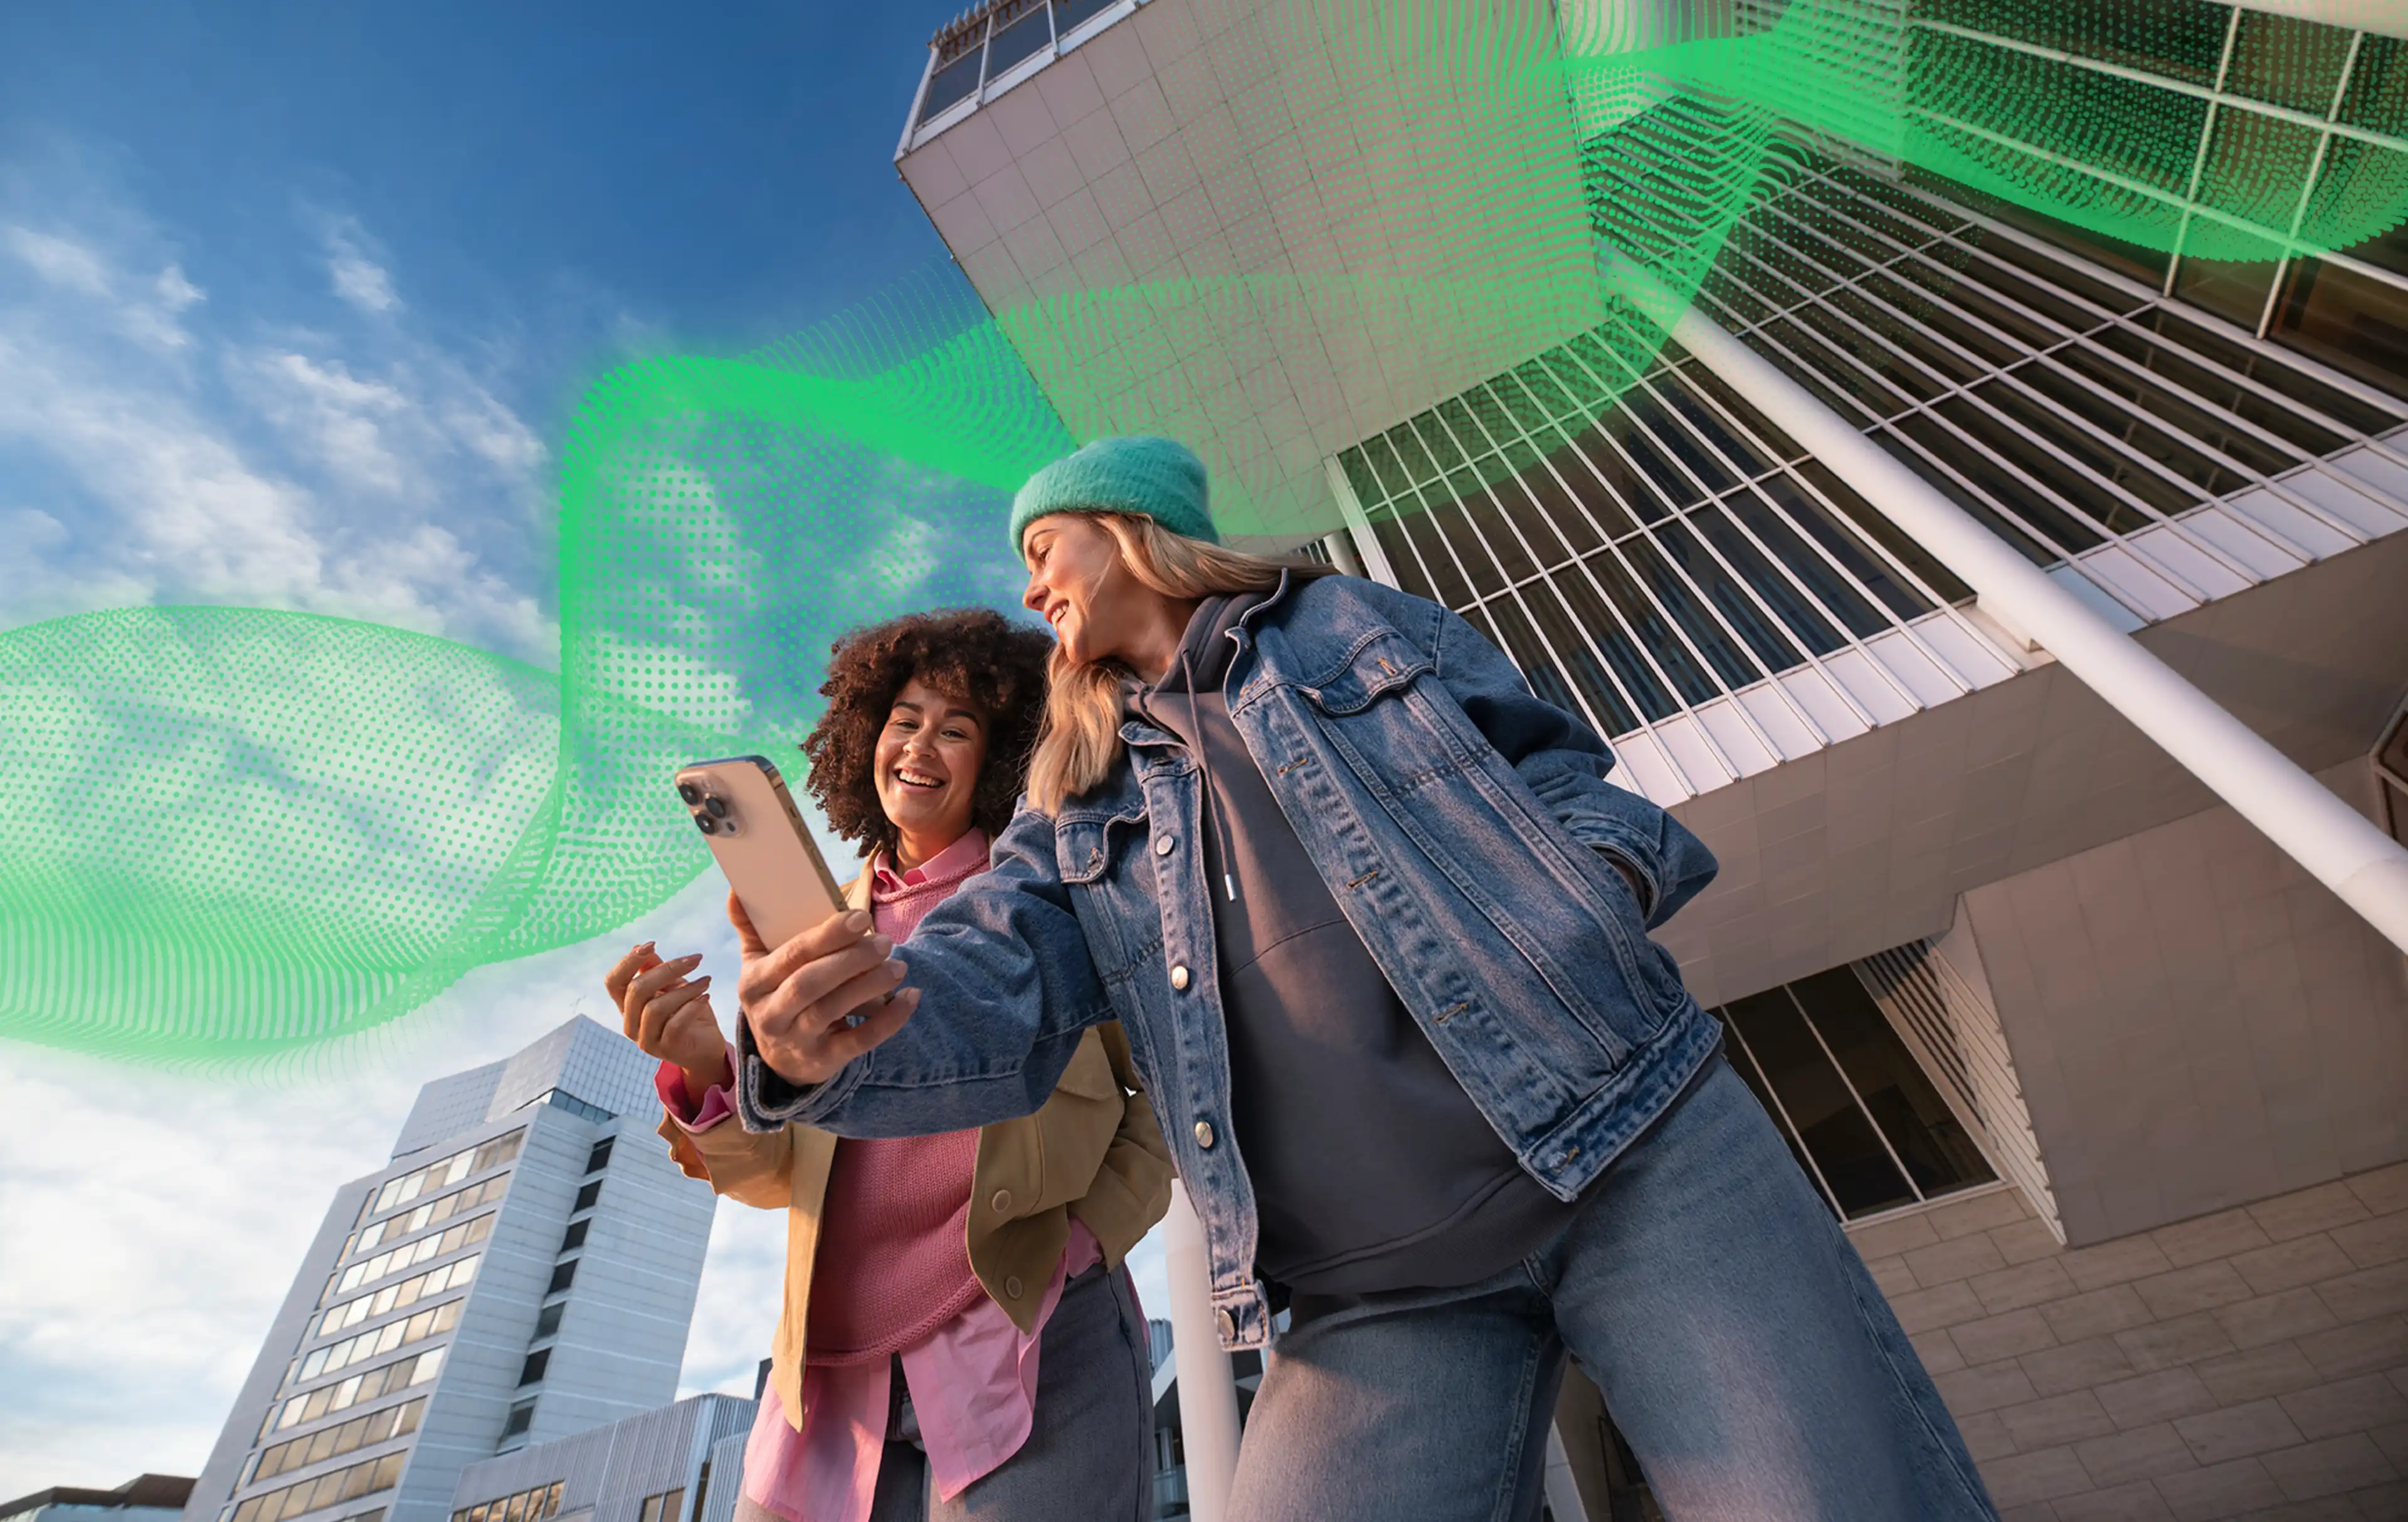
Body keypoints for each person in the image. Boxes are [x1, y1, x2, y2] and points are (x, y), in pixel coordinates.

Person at [727, 436, 2000, 1521]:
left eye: (1043, 542)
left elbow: (1559, 775)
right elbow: (990, 978)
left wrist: (1585, 904)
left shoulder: (1341, 620)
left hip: (1629, 1148)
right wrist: (811, 1047)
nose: (1028, 580)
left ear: (1132, 530)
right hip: (1370, 1290)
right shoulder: (1071, 795)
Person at [606, 606, 1172, 1522]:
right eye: (905, 720)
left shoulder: (1059, 908)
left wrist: (1087, 1242)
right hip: (827, 1379)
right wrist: (712, 1068)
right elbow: (773, 1175)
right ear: (867, 736)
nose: (921, 745)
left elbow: (1161, 1092)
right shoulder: (811, 935)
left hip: (1026, 1337)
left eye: (958, 729)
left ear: (999, 760)